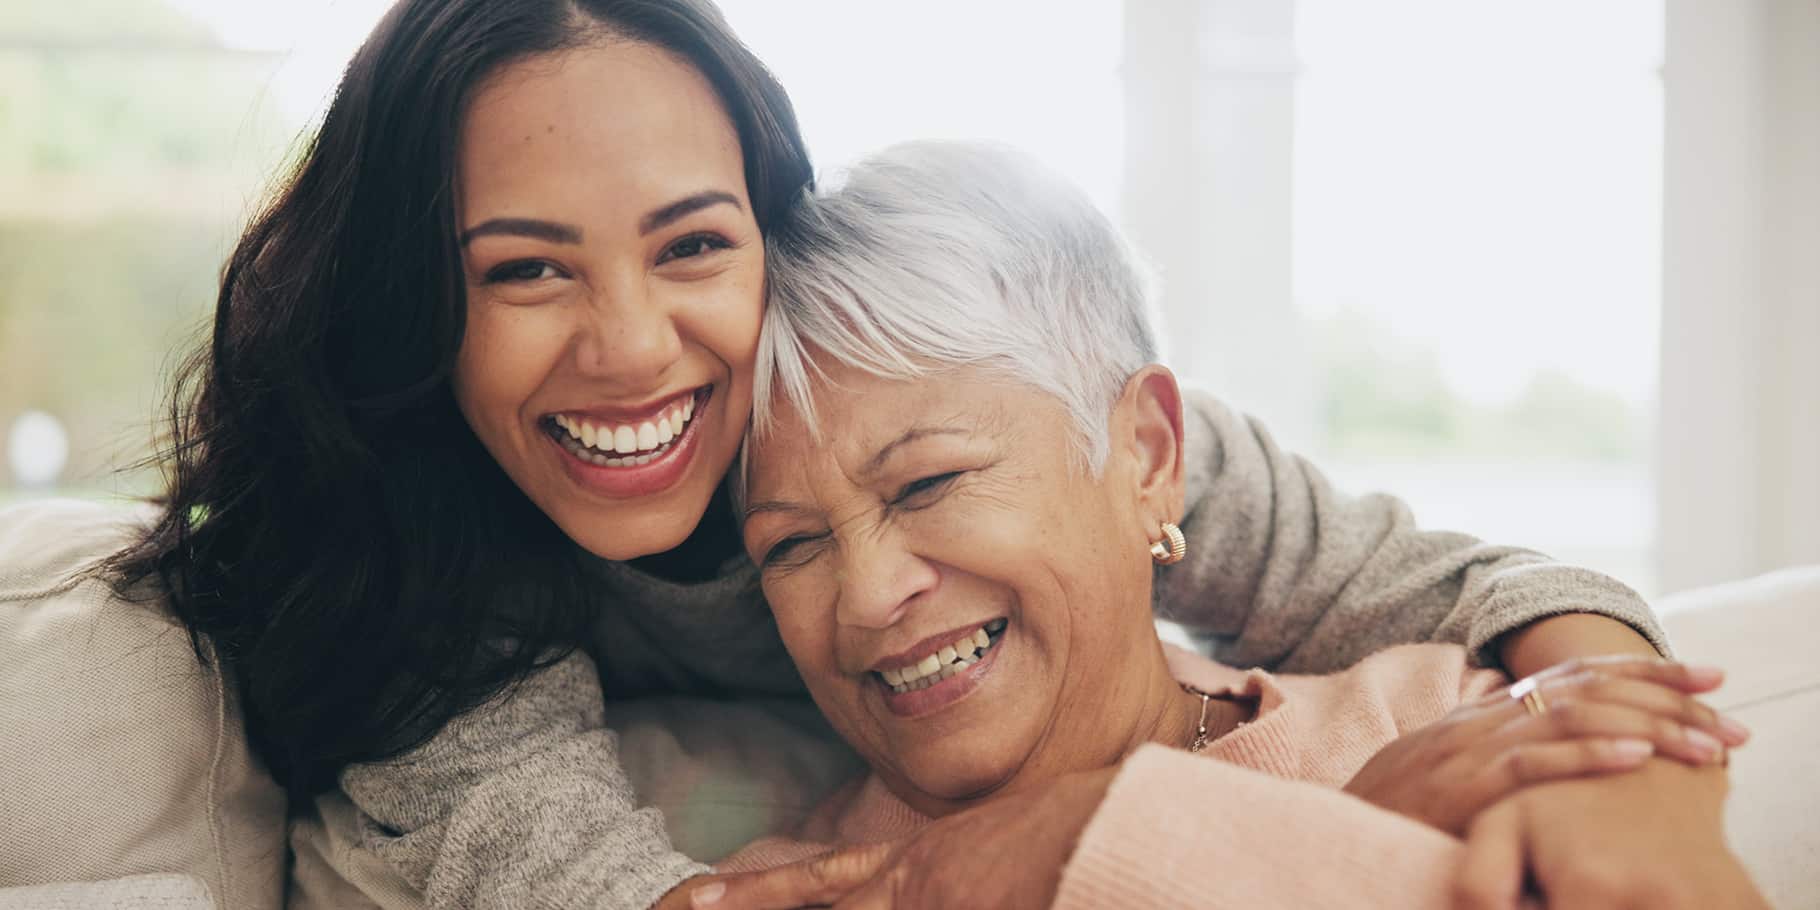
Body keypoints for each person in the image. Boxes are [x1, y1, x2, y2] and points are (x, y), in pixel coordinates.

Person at [0, 0, 1664, 906]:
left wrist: (1630, 777)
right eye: (522, 268)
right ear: (419, 311)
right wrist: (1323, 828)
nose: (632, 345)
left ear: (771, 244)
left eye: (693, 245)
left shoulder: (1000, 418)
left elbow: (1472, 583)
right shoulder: (422, 600)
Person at [706, 140, 1764, 909]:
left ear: (1149, 458)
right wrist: (1344, 831)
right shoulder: (783, 893)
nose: (865, 592)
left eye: (926, 483)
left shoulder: (1449, 721)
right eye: (790, 545)